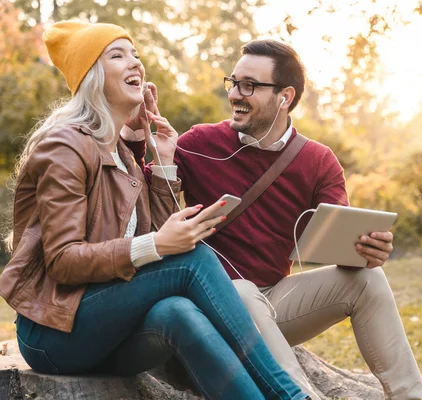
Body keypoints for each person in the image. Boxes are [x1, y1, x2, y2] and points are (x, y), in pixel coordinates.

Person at [0, 21, 309, 400]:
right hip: (55, 332)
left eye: (135, 55)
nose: (135, 64)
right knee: (192, 259)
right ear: (92, 77)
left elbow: (155, 241)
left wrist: (163, 164)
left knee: (176, 311)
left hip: (109, 326)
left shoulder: (124, 157)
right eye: (117, 55)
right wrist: (158, 246)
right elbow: (64, 261)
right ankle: (290, 396)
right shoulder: (65, 147)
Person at [126, 40, 422, 400]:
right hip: (206, 306)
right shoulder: (199, 142)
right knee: (241, 291)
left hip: (272, 302)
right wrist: (135, 138)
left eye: (249, 86)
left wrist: (368, 250)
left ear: (284, 97)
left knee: (368, 280)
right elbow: (137, 199)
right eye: (233, 82)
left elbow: (343, 244)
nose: (236, 94)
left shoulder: (318, 161)